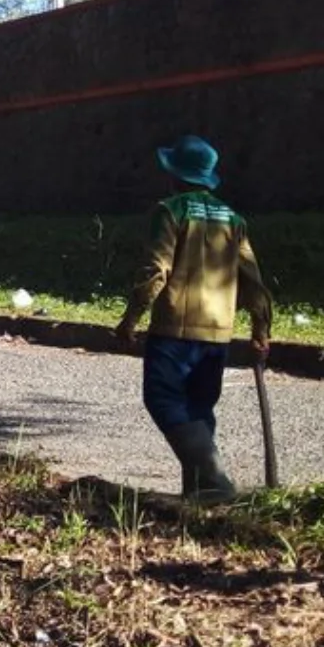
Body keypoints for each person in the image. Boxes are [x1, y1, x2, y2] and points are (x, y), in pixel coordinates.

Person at [115, 135, 274, 504]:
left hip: (174, 328)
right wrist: (260, 330)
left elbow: (156, 270)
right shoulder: (233, 219)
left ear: (173, 175)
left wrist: (130, 319)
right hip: (217, 333)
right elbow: (253, 280)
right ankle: (199, 493)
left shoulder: (170, 211)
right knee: (198, 406)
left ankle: (214, 480)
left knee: (163, 398)